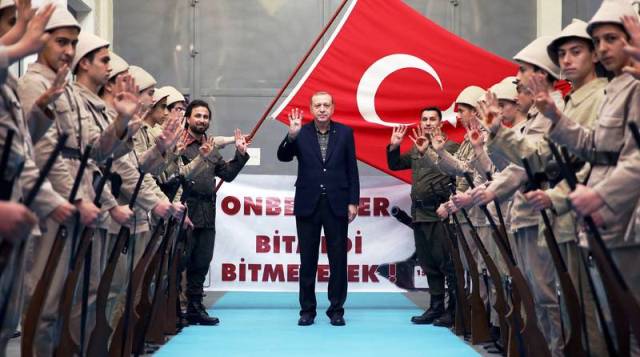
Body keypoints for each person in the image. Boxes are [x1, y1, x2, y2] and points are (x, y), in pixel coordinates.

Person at [277, 91, 360, 326]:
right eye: (317, 105)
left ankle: (336, 310)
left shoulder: (345, 133)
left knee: (338, 261)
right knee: (308, 261)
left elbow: (351, 169)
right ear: (311, 109)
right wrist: (290, 136)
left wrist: (353, 201)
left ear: (333, 108)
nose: (322, 109)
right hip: (308, 204)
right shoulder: (299, 132)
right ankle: (307, 311)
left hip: (337, 203)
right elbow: (282, 156)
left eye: (326, 105)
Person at [386, 107, 459, 326]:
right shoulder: (417, 147)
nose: (427, 123)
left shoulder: (451, 147)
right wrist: (395, 146)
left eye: (432, 119)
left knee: (447, 264)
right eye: (424, 119)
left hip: (440, 214)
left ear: (440, 122)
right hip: (419, 214)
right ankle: (436, 307)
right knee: (429, 264)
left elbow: (455, 174)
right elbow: (395, 164)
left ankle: (454, 310)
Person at [180, 99, 249, 325]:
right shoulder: (178, 144)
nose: (202, 120)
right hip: (184, 210)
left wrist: (240, 155)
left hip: (207, 211)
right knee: (180, 262)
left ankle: (195, 307)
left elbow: (226, 174)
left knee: (202, 262)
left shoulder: (210, 146)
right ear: (188, 118)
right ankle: (173, 310)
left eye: (206, 117)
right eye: (198, 116)